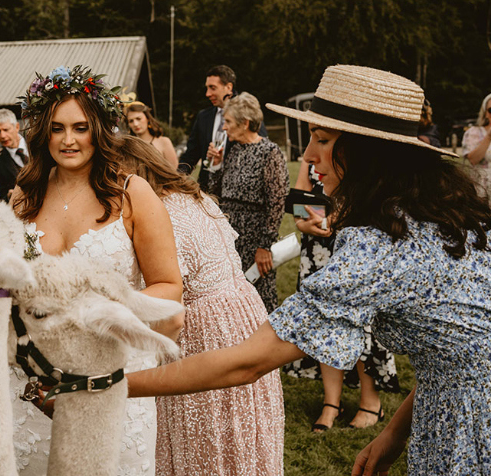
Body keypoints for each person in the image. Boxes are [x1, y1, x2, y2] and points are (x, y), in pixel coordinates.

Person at [126, 64, 491, 476]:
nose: (309, 154)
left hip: (471, 424)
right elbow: (455, 357)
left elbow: (248, 362)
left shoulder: (379, 243)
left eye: (322, 140)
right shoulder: (434, 212)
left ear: (366, 150)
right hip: (449, 402)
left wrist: (113, 384)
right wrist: (395, 434)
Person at [10, 65, 183, 475]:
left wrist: (104, 312)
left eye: (80, 127)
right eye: (56, 128)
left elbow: (170, 286)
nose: (68, 140)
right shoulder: (23, 194)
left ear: (100, 130)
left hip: (112, 370)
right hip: (36, 384)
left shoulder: (132, 193)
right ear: (42, 133)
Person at [117, 136, 284, 476]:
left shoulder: (158, 214)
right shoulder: (194, 196)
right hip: (246, 313)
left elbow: (171, 310)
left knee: (204, 434)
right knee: (240, 427)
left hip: (206, 331)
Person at [283, 160, 400, 431]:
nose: (315, 144)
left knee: (362, 325)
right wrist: (304, 223)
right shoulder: (313, 155)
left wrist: (334, 219)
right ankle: (331, 403)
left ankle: (371, 402)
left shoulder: (364, 157)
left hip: (357, 249)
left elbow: (378, 203)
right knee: (325, 324)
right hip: (318, 249)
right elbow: (299, 197)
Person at [206, 92, 288, 313]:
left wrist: (265, 246)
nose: (224, 127)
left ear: (245, 123)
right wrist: (215, 164)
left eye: (229, 122)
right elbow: (215, 193)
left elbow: (276, 203)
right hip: (230, 236)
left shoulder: (270, 153)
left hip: (255, 240)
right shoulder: (233, 151)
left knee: (261, 301)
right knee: (233, 301)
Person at [178, 65, 267, 190]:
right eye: (207, 88)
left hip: (237, 191)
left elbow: (260, 148)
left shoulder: (247, 114)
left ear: (229, 87)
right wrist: (176, 179)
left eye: (212, 88)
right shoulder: (203, 117)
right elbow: (190, 156)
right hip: (207, 191)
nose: (207, 94)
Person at [0, 108, 27, 202]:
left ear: (17, 127)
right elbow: (2, 197)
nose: (2, 135)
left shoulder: (39, 146)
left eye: (6, 130)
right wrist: (9, 195)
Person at [125, 102, 178, 168]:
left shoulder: (164, 142)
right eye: (131, 121)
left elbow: (174, 170)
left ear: (147, 118)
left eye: (138, 119)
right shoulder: (129, 147)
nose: (135, 124)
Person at [463, 92, 491, 199]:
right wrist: (488, 137)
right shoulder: (474, 132)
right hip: (482, 190)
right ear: (485, 113)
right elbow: (473, 159)